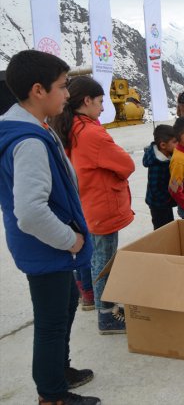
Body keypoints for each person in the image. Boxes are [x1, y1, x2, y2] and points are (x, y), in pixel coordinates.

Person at [0, 50, 101, 405]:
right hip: (48, 246)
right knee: (51, 322)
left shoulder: (33, 126)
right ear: (38, 90)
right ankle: (52, 394)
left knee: (66, 304)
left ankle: (59, 369)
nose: (68, 94)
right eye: (62, 86)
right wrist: (70, 240)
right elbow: (29, 211)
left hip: (49, 248)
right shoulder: (28, 141)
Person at [52, 75, 135, 336]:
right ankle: (106, 313)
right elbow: (126, 164)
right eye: (100, 101)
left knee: (92, 256)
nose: (102, 107)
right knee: (105, 259)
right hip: (103, 203)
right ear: (86, 101)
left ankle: (91, 299)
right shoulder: (92, 133)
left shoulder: (67, 128)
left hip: (86, 202)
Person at [143, 125, 178, 230]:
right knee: (162, 228)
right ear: (163, 145)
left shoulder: (168, 154)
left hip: (165, 201)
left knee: (169, 225)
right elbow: (155, 188)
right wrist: (169, 198)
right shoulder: (157, 164)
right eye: (175, 142)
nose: (178, 144)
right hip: (158, 203)